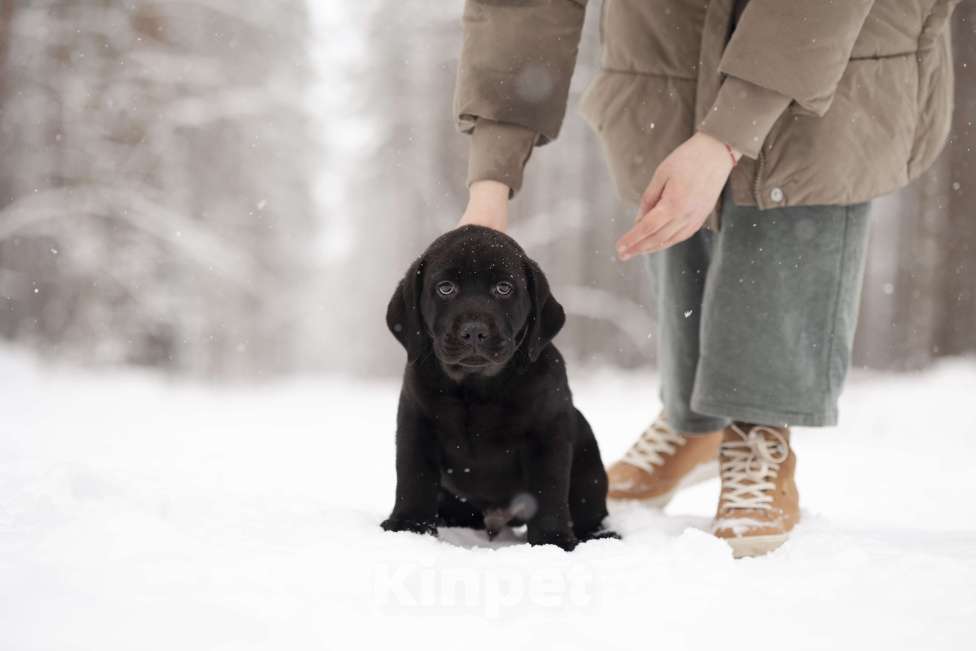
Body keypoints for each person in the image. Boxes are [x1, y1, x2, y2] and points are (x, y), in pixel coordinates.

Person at [452, 0, 959, 557]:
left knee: (795, 171)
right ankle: (697, 417)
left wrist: (728, 133)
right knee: (671, 184)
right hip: (664, 40)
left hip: (833, 31)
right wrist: (490, 183)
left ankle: (757, 424)